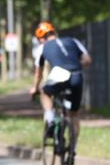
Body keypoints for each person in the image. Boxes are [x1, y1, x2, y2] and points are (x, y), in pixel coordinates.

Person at [28, 21, 92, 154]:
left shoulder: (42, 48)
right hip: (76, 75)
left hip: (59, 74)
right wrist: (73, 65)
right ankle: (73, 147)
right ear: (54, 32)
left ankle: (50, 119)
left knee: (45, 92)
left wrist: (35, 88)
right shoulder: (73, 41)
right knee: (74, 114)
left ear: (41, 38)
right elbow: (87, 60)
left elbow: (38, 73)